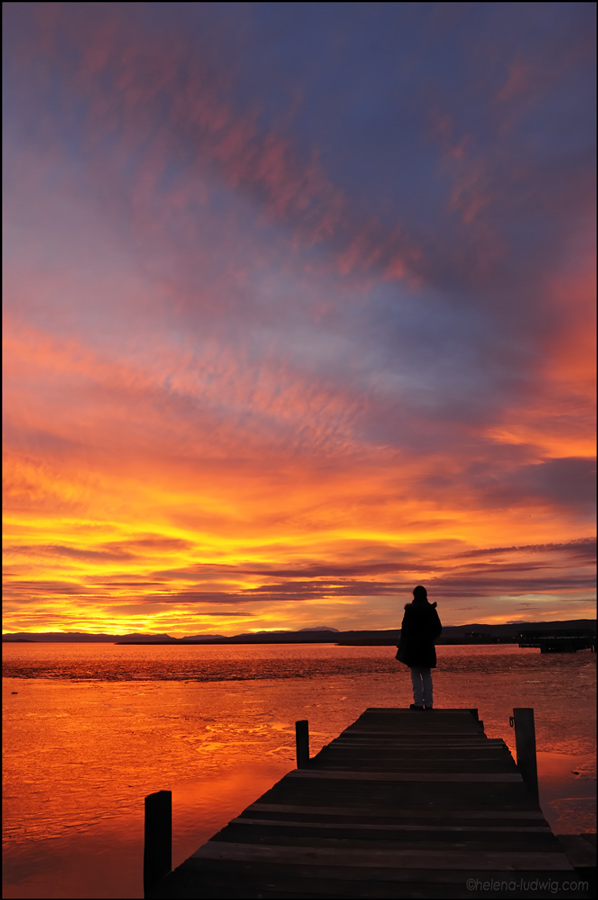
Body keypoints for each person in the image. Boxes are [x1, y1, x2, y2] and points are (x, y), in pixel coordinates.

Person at [396, 585, 442, 710]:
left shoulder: (410, 610)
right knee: (426, 675)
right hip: (427, 647)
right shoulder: (431, 610)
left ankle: (418, 703)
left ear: (414, 595)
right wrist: (430, 638)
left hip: (413, 648)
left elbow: (405, 629)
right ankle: (428, 704)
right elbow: (438, 629)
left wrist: (403, 643)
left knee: (415, 674)